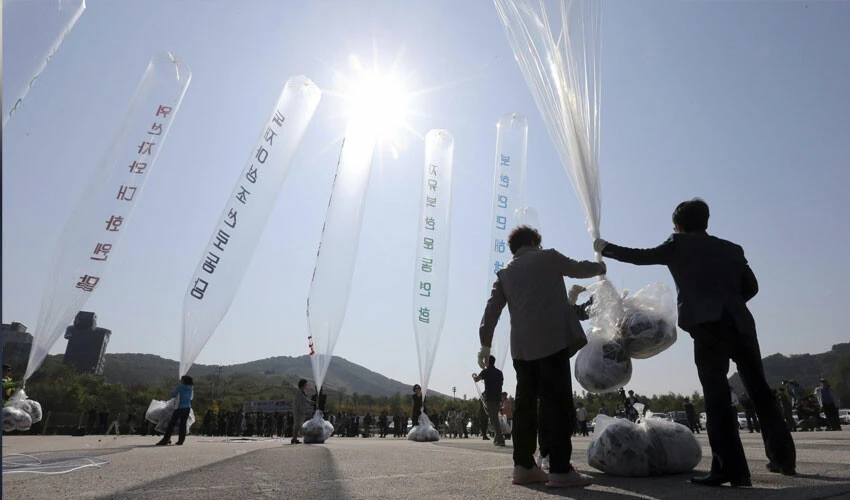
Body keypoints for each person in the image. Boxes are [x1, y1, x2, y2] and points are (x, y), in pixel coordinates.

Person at [595, 198, 796, 487]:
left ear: (677, 225)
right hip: (741, 323)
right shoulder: (732, 248)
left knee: (717, 397)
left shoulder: (677, 245)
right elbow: (751, 287)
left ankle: (731, 470)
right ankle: (783, 459)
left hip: (708, 326)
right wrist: (729, 303)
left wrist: (605, 248)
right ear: (706, 221)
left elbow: (640, 256)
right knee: (761, 391)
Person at [479, 225, 605, 487]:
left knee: (525, 407)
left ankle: (523, 466)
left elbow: (490, 313)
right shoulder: (548, 257)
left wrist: (485, 345)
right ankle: (560, 470)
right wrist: (600, 266)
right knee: (556, 405)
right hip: (552, 343)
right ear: (535, 242)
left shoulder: (504, 274)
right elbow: (579, 268)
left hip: (522, 351)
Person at [473, 355, 505, 446]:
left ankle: (500, 439)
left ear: (487, 362)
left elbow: (476, 379)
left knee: (494, 420)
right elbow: (501, 383)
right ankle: (497, 438)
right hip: (498, 398)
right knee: (495, 418)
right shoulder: (499, 372)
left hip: (490, 398)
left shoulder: (485, 371)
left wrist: (474, 375)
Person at [157, 376, 194, 446]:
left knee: (171, 424)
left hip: (180, 407)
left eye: (182, 380)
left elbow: (173, 395)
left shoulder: (180, 387)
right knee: (183, 425)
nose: (181, 381)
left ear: (184, 381)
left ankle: (165, 440)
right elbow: (191, 397)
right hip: (187, 408)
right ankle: (181, 441)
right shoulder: (191, 388)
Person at [291, 378, 312, 444]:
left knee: (298, 424)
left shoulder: (302, 392)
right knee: (297, 424)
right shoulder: (299, 392)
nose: (306, 385)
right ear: (303, 384)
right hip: (298, 411)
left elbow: (306, 400)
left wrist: (313, 402)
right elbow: (298, 402)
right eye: (306, 384)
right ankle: (294, 438)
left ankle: (294, 438)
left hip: (300, 410)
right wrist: (301, 410)